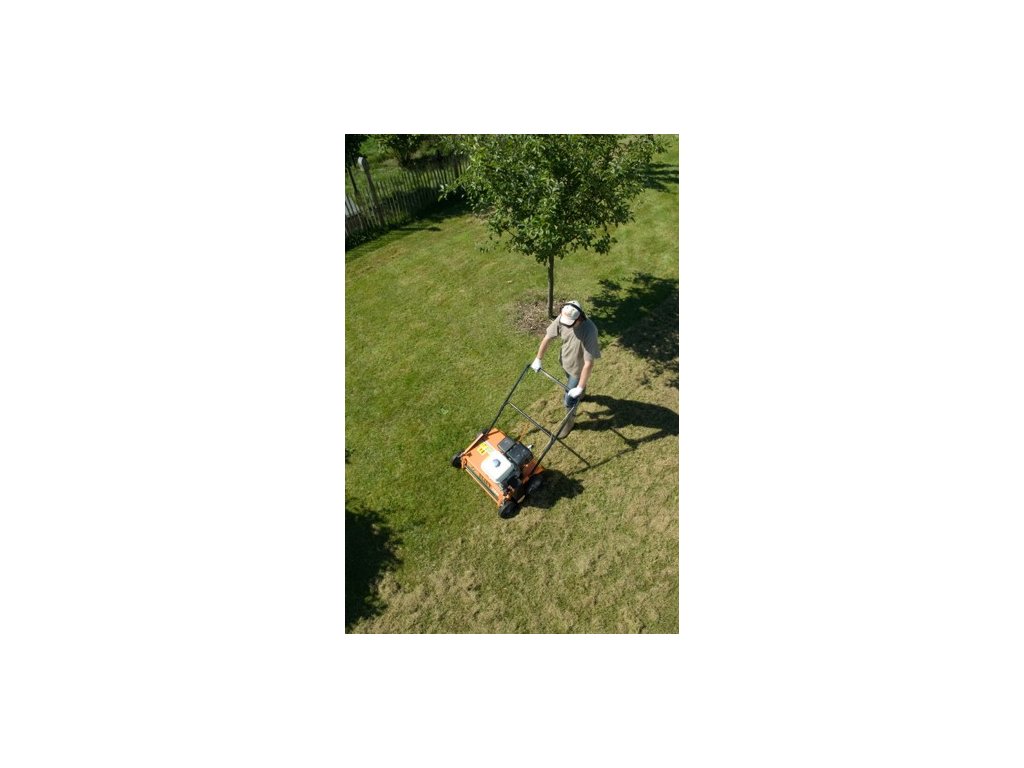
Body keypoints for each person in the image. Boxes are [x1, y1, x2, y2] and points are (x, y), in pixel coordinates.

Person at [530, 301, 601, 437]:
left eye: (570, 324)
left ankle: (569, 424)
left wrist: (579, 387)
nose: (566, 325)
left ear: (579, 318)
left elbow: (588, 363)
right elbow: (547, 337)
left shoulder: (590, 331)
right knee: (569, 380)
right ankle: (582, 394)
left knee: (568, 400)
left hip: (578, 370)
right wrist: (538, 358)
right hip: (565, 361)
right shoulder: (564, 317)